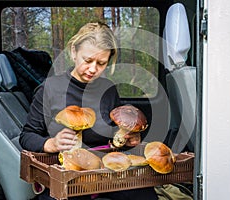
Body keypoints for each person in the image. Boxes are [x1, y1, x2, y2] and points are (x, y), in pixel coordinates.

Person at [19, 22, 158, 200]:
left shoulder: (108, 89)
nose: (93, 69)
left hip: (106, 173)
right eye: (88, 60)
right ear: (74, 52)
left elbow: (114, 134)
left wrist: (129, 139)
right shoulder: (50, 89)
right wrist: (52, 144)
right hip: (67, 175)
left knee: (145, 194)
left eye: (101, 63)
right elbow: (27, 135)